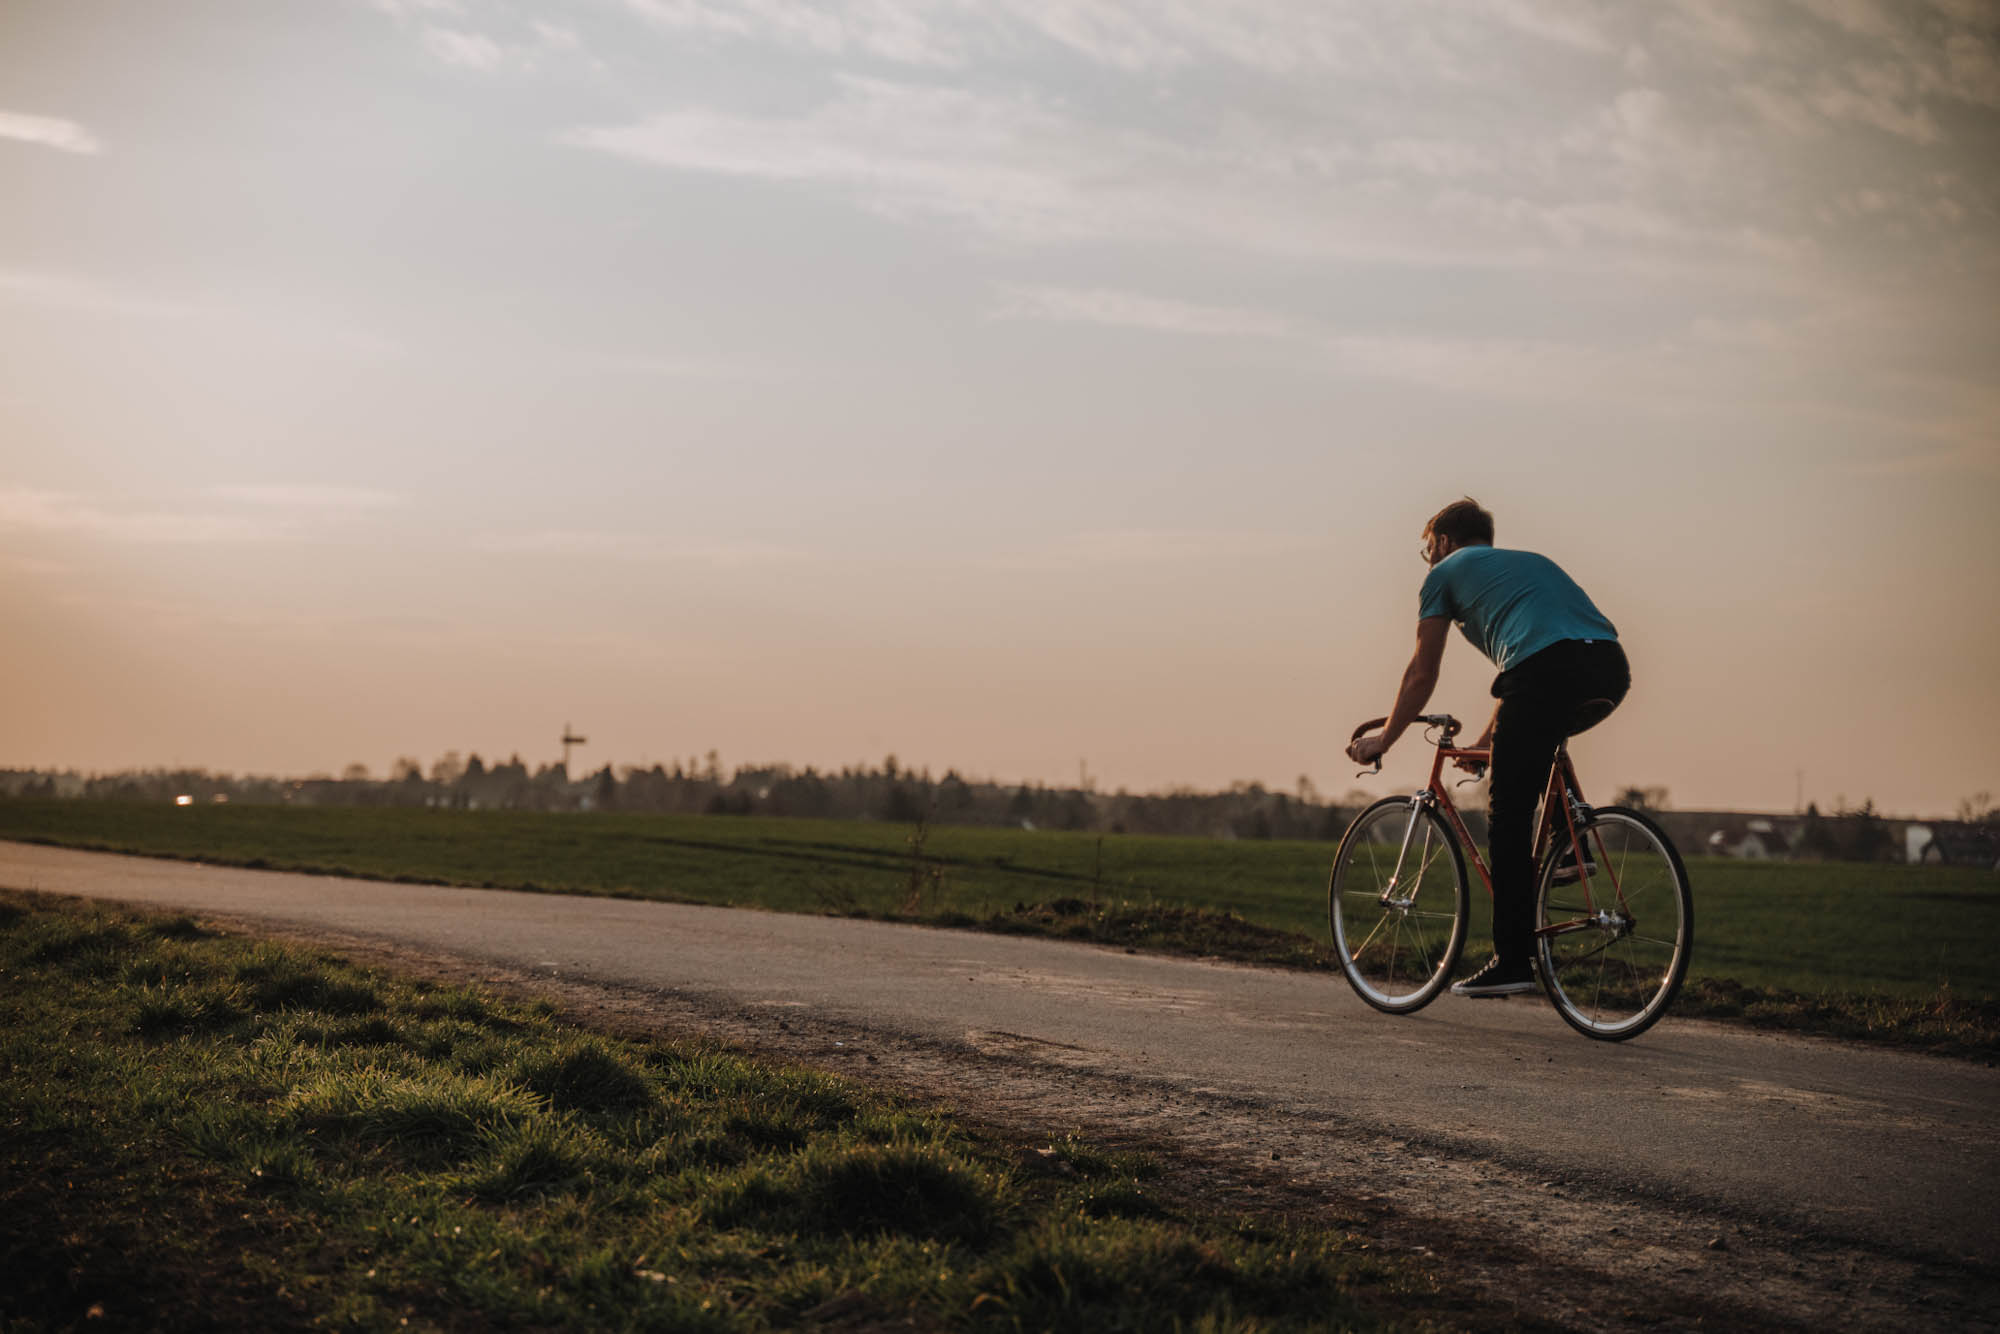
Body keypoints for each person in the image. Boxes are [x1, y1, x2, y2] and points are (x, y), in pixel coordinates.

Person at [1346, 498, 1629, 997]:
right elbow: (1522, 665)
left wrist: (1382, 739)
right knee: (1536, 745)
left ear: (1443, 542)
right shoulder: (1522, 566)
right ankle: (1571, 847)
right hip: (1607, 665)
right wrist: (1483, 741)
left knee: (1509, 810)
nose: (1429, 559)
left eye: (1427, 549)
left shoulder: (1444, 573)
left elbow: (1421, 672)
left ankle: (1513, 960)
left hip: (1544, 672)